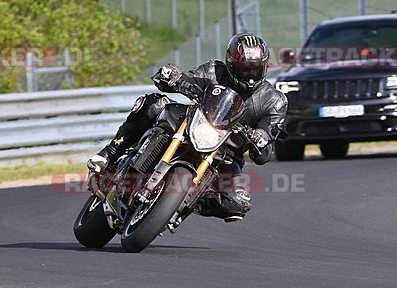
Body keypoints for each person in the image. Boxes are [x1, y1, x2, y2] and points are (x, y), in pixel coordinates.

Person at [86, 33, 288, 222]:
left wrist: (260, 138)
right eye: (244, 70)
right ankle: (109, 153)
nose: (249, 76)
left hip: (225, 156)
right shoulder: (214, 72)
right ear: (231, 65)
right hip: (193, 125)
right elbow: (185, 79)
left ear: (265, 67)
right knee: (153, 104)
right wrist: (173, 76)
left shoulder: (274, 101)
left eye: (254, 70)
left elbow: (264, 149)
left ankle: (180, 204)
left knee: (237, 203)